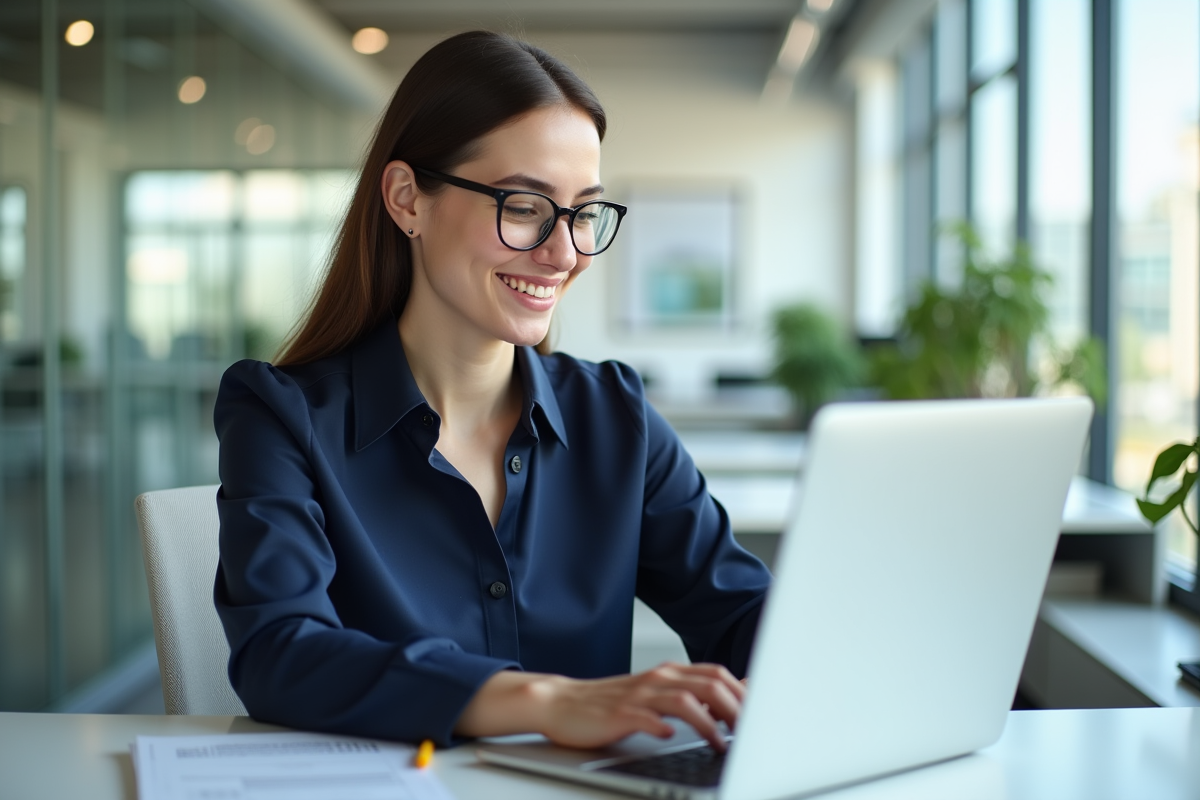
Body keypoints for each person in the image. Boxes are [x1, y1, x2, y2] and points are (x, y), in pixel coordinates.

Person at [213, 30, 772, 752]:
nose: (564, 252)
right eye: (524, 206)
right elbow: (280, 651)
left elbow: (740, 613)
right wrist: (543, 700)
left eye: (582, 212)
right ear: (408, 199)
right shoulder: (281, 416)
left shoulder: (615, 418)